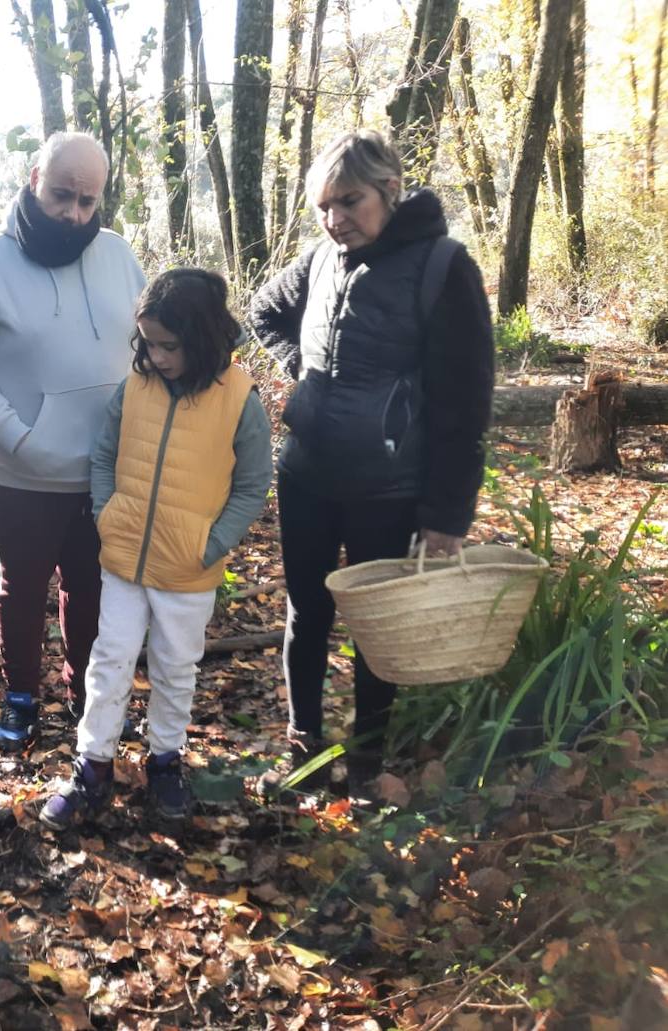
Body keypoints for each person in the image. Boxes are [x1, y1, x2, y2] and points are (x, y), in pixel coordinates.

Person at [247, 129, 495, 792]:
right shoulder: (322, 258)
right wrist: (301, 372)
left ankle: (366, 761)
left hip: (391, 489)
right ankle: (303, 746)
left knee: (376, 628)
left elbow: (465, 404)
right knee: (306, 610)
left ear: (390, 189)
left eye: (349, 202)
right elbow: (264, 308)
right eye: (324, 206)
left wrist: (447, 515)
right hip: (307, 476)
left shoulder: (443, 267)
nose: (335, 220)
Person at [38, 270, 273, 827]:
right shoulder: (135, 386)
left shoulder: (239, 398)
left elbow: (253, 483)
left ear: (203, 335)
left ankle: (165, 762)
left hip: (189, 569)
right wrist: (106, 513)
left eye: (170, 345)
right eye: (147, 342)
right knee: (108, 660)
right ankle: (92, 767)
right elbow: (104, 455)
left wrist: (212, 544)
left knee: (175, 667)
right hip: (123, 561)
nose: (157, 355)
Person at [0, 131, 146, 753]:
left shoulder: (115, 254)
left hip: (105, 471)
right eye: (62, 195)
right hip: (20, 471)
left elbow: (149, 342)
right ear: (34, 179)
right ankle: (22, 697)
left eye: (88, 201)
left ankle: (87, 697)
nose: (74, 214)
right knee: (22, 587)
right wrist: (18, 437)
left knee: (93, 587)